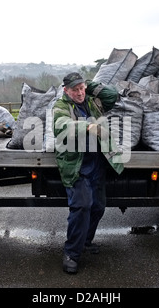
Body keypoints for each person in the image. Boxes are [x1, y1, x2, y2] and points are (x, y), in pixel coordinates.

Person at [53, 72, 124, 274]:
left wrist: (89, 85)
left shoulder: (93, 101)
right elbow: (61, 126)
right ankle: (71, 254)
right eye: (75, 89)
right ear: (66, 90)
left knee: (98, 206)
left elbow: (112, 95)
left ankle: (85, 241)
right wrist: (88, 126)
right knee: (82, 206)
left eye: (82, 88)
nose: (80, 93)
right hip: (77, 165)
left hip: (96, 163)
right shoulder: (61, 106)